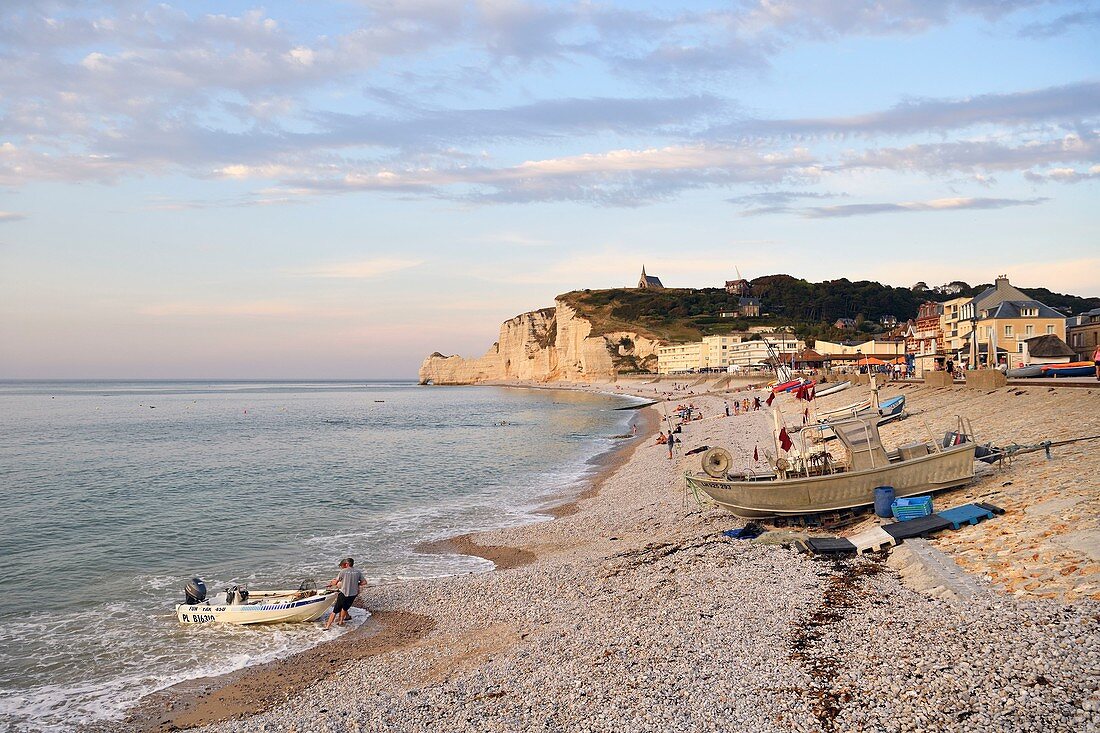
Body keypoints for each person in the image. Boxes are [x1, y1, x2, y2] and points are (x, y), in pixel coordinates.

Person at [325, 557, 366, 629]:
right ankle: (341, 621)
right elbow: (364, 582)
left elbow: (335, 582)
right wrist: (357, 584)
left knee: (335, 610)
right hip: (353, 594)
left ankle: (327, 626)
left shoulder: (343, 571)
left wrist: (330, 584)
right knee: (344, 607)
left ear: (347, 564)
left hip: (344, 593)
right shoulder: (358, 572)